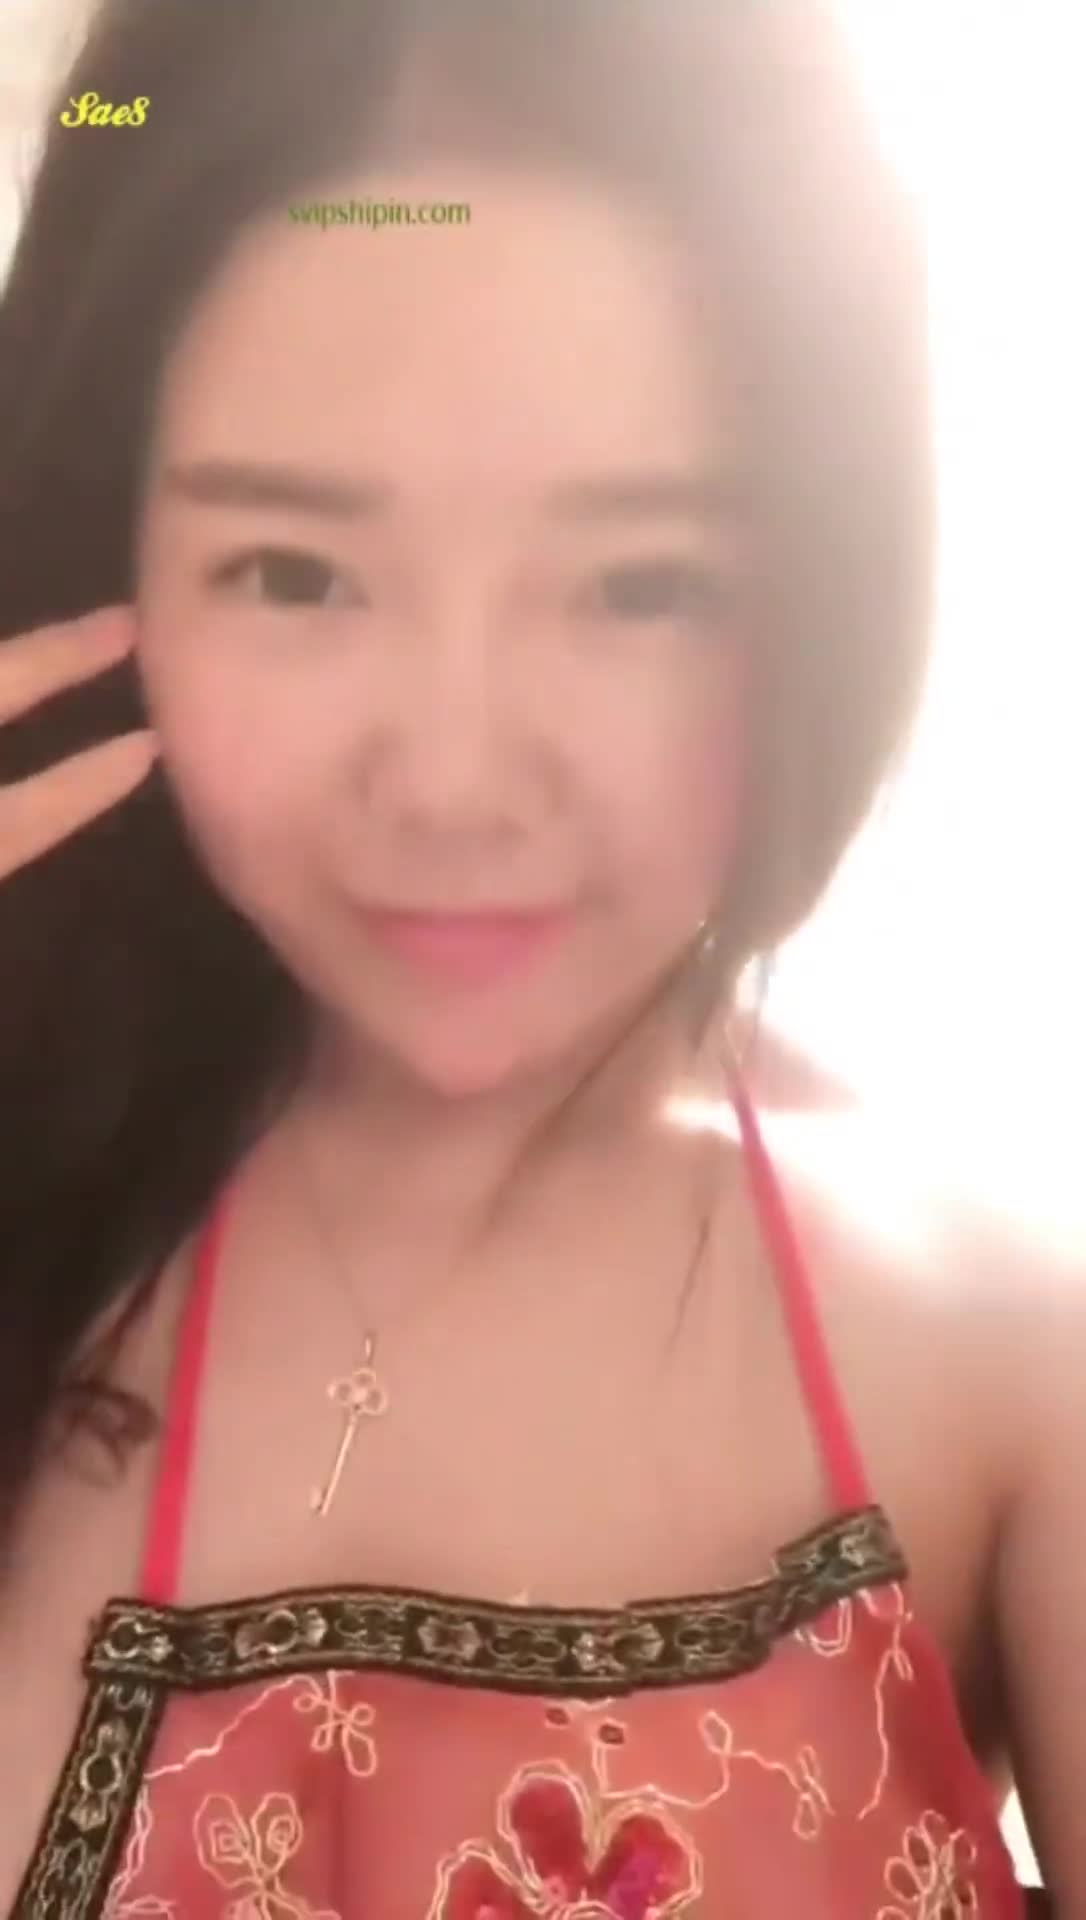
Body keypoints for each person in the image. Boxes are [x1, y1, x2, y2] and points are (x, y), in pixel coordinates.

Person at [0, 1, 1078, 1912]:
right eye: (296, 573)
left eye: (642, 585)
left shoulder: (1010, 1349)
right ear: (108, 569)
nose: (456, 781)